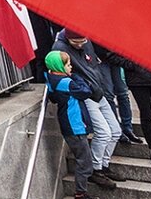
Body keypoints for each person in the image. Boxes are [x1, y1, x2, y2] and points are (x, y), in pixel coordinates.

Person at [52, 29, 124, 188]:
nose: (80, 45)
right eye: (76, 42)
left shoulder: (87, 41)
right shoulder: (60, 48)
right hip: (86, 95)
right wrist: (88, 88)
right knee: (103, 133)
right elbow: (61, 72)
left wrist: (100, 86)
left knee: (115, 131)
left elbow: (92, 65)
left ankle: (104, 165)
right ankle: (96, 170)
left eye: (83, 41)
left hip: (99, 91)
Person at [45, 51, 97, 199]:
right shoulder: (66, 82)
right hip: (75, 125)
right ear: (59, 67)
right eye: (68, 65)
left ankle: (82, 189)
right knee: (85, 161)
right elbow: (86, 91)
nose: (71, 67)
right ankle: (80, 193)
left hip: (70, 125)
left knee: (83, 158)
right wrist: (76, 77)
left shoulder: (52, 80)